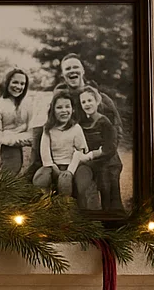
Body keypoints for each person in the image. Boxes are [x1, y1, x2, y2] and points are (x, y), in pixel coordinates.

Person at [53, 53, 125, 208]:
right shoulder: (62, 100)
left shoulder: (100, 98)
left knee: (110, 180)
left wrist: (104, 151)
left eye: (76, 67)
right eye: (68, 68)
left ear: (82, 71)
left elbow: (116, 129)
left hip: (103, 153)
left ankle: (115, 221)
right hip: (76, 153)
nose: (72, 71)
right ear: (63, 74)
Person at [74, 86, 123, 211]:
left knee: (109, 192)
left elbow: (110, 146)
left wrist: (91, 155)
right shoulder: (83, 122)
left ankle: (114, 220)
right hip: (96, 163)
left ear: (97, 102)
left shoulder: (104, 121)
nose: (87, 104)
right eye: (83, 102)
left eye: (90, 100)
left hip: (109, 161)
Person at [33, 94, 89, 198]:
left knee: (64, 181)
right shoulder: (48, 129)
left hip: (70, 165)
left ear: (72, 110)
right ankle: (43, 203)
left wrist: (70, 171)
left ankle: (64, 204)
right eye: (59, 107)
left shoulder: (76, 128)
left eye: (67, 106)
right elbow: (44, 151)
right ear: (53, 110)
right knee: (40, 177)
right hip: (52, 166)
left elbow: (79, 151)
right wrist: (52, 166)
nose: (64, 110)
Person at [0, 68, 34, 175]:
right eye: (15, 82)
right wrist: (16, 139)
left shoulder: (28, 104)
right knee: (10, 171)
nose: (19, 87)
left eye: (22, 84)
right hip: (9, 148)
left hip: (30, 146)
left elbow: (33, 129)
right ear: (6, 82)